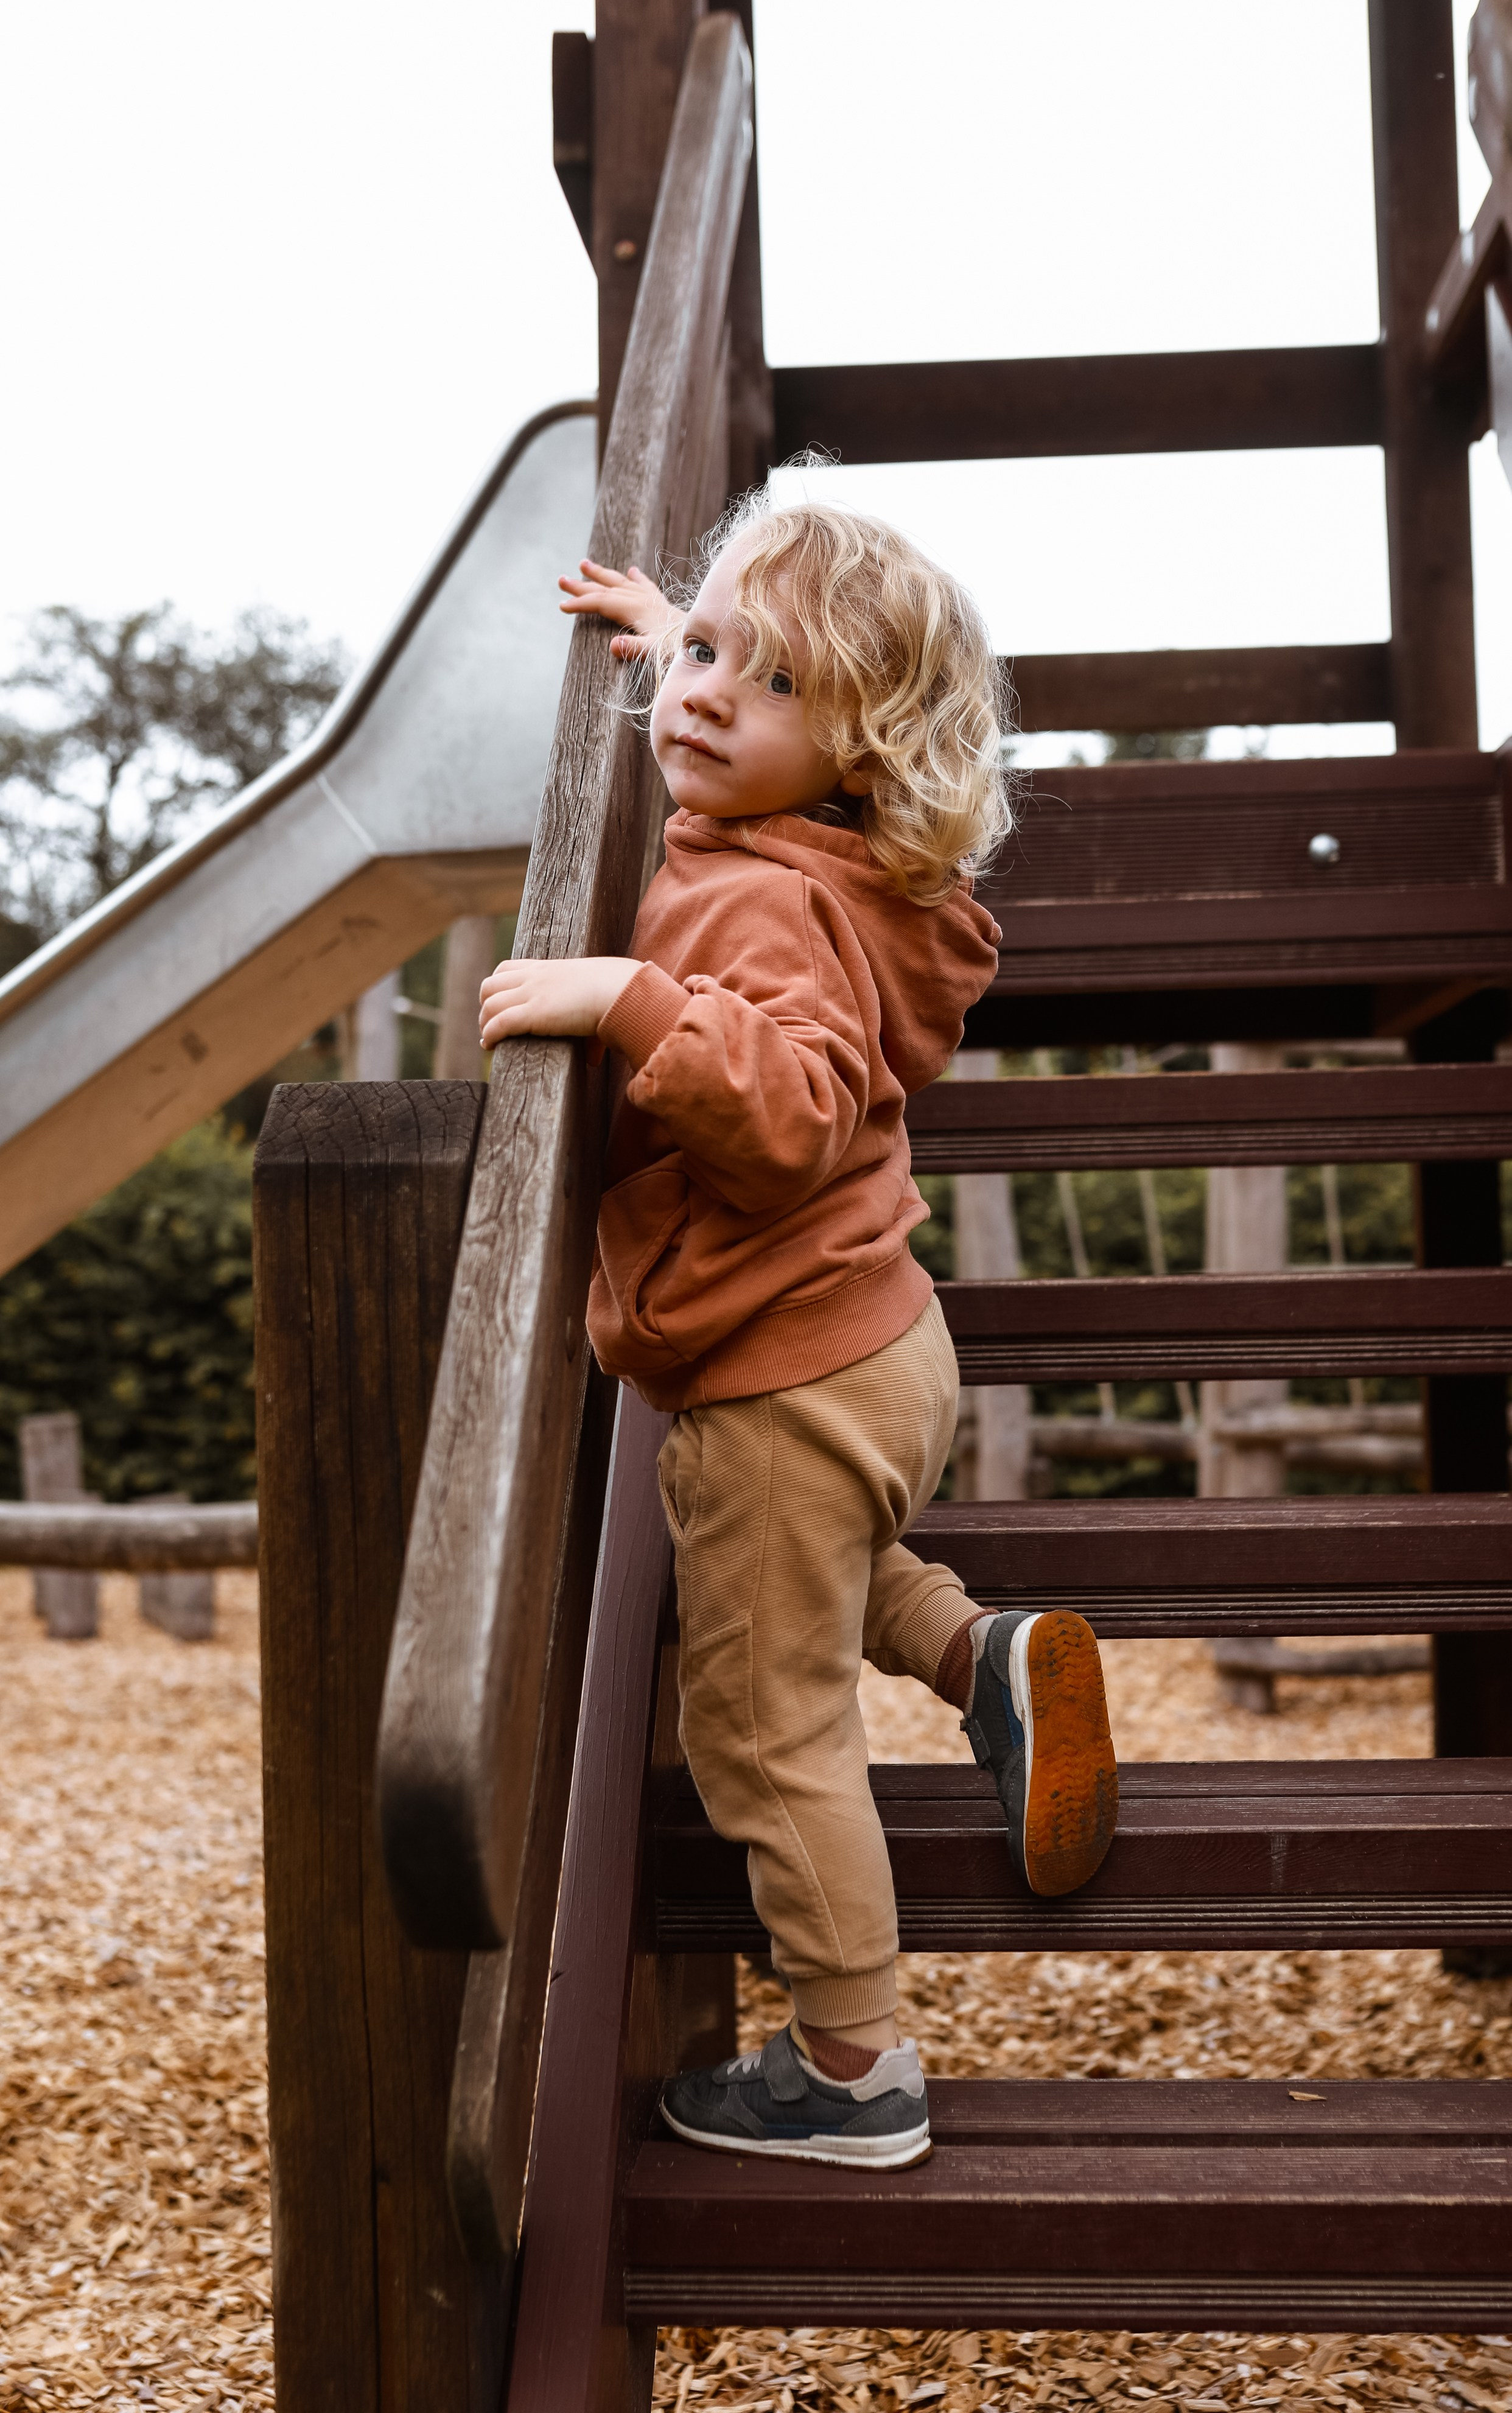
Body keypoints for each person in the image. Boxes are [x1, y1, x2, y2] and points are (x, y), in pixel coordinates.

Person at [480, 488, 1118, 2170]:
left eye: (758, 684)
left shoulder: (757, 906)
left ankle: (853, 2068)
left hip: (784, 1375)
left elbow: (787, 1110)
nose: (696, 696)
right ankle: (981, 1656)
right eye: (697, 654)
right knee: (817, 1577)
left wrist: (628, 998)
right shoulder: (828, 866)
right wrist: (671, 623)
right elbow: (731, 711)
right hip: (873, 1348)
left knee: (763, 1728)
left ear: (856, 751)